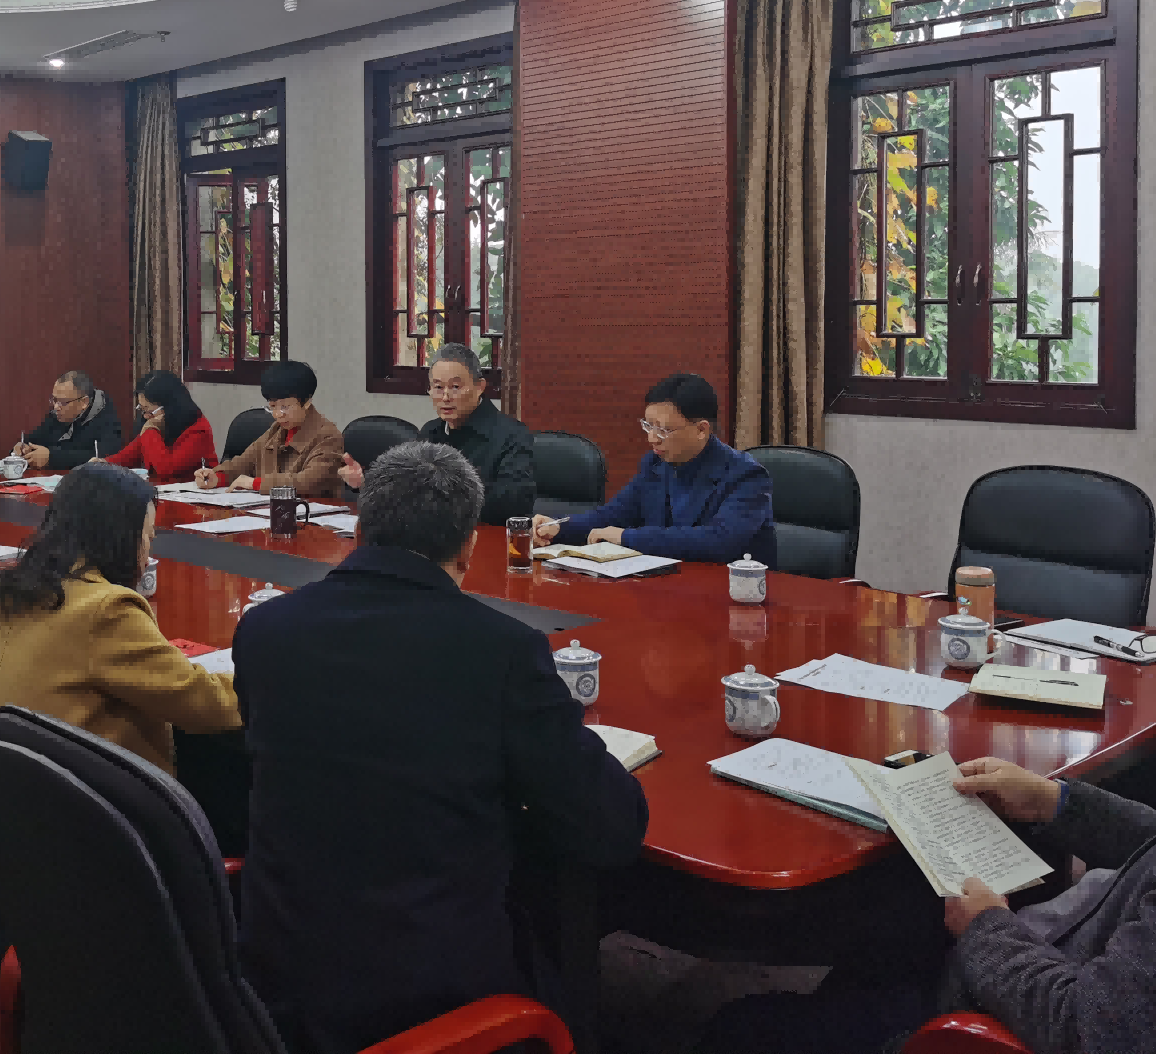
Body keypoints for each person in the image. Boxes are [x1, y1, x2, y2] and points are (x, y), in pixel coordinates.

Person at [695, 568, 1156, 1054]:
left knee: (738, 1029)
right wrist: (1053, 800)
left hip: (990, 1010)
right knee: (900, 914)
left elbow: (1089, 1029)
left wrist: (986, 927)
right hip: (1054, 942)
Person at [235, 441, 649, 1054]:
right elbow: (612, 824)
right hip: (422, 991)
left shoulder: (265, 629)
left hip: (273, 970)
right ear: (468, 549)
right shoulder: (501, 649)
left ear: (359, 529)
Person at [0, 463, 240, 768]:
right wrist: (265, 683)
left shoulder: (7, 590)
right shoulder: (106, 610)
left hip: (4, 785)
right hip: (87, 792)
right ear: (119, 539)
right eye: (147, 537)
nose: (148, 555)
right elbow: (202, 703)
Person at [532, 373, 775, 566]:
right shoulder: (655, 465)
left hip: (730, 595)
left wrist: (626, 537)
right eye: (648, 426)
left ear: (701, 430)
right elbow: (613, 515)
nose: (652, 438)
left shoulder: (746, 476)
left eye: (663, 430)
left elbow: (719, 541)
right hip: (667, 588)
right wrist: (559, 527)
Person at [336, 344, 534, 526]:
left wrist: (440, 492)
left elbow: (514, 503)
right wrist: (364, 482)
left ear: (479, 387)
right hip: (431, 536)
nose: (446, 397)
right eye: (438, 387)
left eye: (455, 387)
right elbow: (404, 486)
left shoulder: (512, 435)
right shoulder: (430, 432)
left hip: (487, 538)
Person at [195, 360, 344, 497]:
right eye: (272, 406)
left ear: (306, 403)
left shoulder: (328, 437)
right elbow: (242, 464)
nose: (278, 414)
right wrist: (216, 477)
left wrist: (255, 484)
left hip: (309, 512)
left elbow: (309, 482)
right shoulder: (276, 431)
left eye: (285, 407)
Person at [106, 371, 217, 481]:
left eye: (149, 411)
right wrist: (102, 464)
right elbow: (128, 456)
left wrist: (150, 429)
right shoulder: (160, 423)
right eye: (142, 409)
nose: (145, 416)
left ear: (169, 407)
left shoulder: (198, 430)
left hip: (192, 490)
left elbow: (166, 470)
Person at [15, 370, 124, 470]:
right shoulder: (58, 414)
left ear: (84, 402)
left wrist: (51, 458)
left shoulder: (107, 419)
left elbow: (103, 458)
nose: (56, 407)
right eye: (54, 400)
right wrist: (23, 448)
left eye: (63, 402)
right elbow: (34, 440)